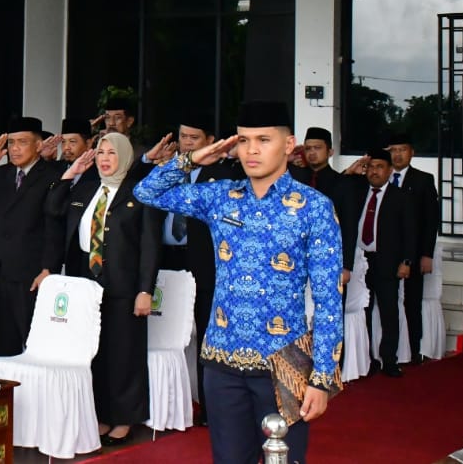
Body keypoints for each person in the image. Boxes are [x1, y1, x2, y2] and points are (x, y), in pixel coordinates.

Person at [135, 101, 343, 464]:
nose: (252, 150)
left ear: (289, 145)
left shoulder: (314, 207)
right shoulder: (221, 196)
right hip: (221, 363)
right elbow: (146, 192)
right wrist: (191, 160)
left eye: (264, 140)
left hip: (285, 364)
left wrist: (321, 378)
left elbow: (328, 300)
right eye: (244, 141)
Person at [52, 132, 161, 446]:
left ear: (125, 156)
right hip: (85, 286)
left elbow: (150, 246)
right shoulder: (86, 189)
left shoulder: (140, 193)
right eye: (100, 152)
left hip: (123, 285)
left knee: (123, 352)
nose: (104, 158)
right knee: (95, 353)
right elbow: (53, 208)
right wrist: (70, 173)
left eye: (112, 153)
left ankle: (124, 416)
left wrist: (145, 289)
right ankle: (100, 413)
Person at [153, 113, 240, 427]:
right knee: (162, 333)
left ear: (209, 141)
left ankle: (210, 405)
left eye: (193, 138)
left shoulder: (224, 174)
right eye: (183, 136)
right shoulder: (170, 170)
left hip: (204, 265)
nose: (187, 143)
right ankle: (165, 403)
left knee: (206, 336)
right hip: (166, 261)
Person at [0, 116, 64, 356]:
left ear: (38, 145)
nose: (14, 149)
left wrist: (48, 268)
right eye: (11, 143)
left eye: (22, 142)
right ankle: (6, 392)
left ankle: (36, 393)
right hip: (1, 267)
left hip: (32, 272)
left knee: (34, 342)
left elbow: (55, 226)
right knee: (3, 343)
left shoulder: (52, 176)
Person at [357, 149, 416, 377]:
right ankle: (368, 359)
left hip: (388, 262)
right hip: (362, 261)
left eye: (379, 167)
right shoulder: (358, 192)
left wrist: (406, 261)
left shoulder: (399, 197)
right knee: (364, 311)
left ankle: (389, 359)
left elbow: (410, 233)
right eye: (371, 167)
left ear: (390, 171)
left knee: (389, 312)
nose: (374, 171)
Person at [385, 132, 438, 364]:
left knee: (411, 301)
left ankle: (414, 349)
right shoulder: (381, 177)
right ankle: (390, 350)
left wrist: (426, 253)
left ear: (412, 152)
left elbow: (430, 220)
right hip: (387, 251)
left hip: (414, 252)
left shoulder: (423, 180)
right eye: (394, 150)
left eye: (402, 150)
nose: (397, 155)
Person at [289, 127, 359, 287]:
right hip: (295, 258)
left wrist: (346, 266)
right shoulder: (294, 180)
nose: (312, 152)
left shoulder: (343, 183)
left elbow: (349, 226)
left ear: (330, 152)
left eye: (318, 148)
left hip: (329, 258)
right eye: (308, 148)